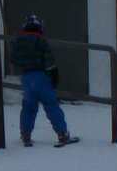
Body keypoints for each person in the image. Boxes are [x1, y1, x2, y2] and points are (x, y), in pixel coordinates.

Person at [10, 14, 76, 147]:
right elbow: (49, 60)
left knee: (28, 107)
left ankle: (25, 134)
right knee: (51, 105)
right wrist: (53, 73)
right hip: (41, 76)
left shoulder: (18, 41)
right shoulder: (40, 41)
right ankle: (62, 133)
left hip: (27, 77)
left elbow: (13, 58)